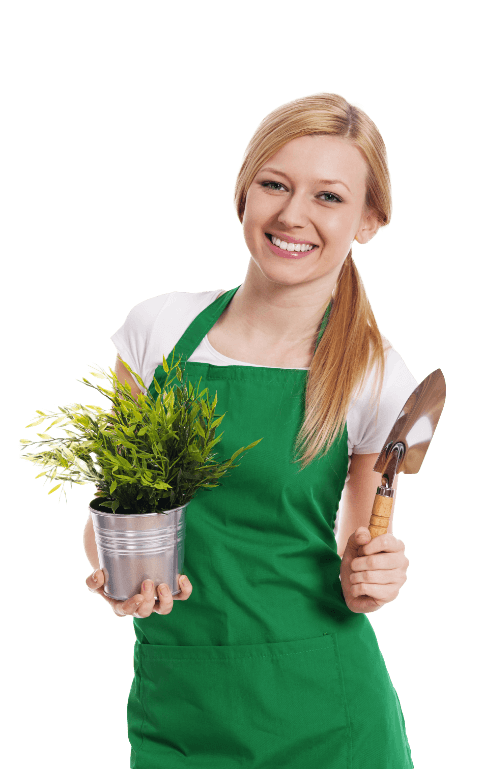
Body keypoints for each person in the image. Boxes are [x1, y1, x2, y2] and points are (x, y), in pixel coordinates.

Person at [84, 91, 415, 768]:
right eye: (274, 184)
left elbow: (361, 554)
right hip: (181, 699)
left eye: (328, 196)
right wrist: (117, 569)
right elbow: (114, 512)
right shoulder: (158, 329)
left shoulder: (375, 372)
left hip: (328, 714)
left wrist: (377, 574)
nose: (292, 214)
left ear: (369, 220)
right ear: (242, 194)